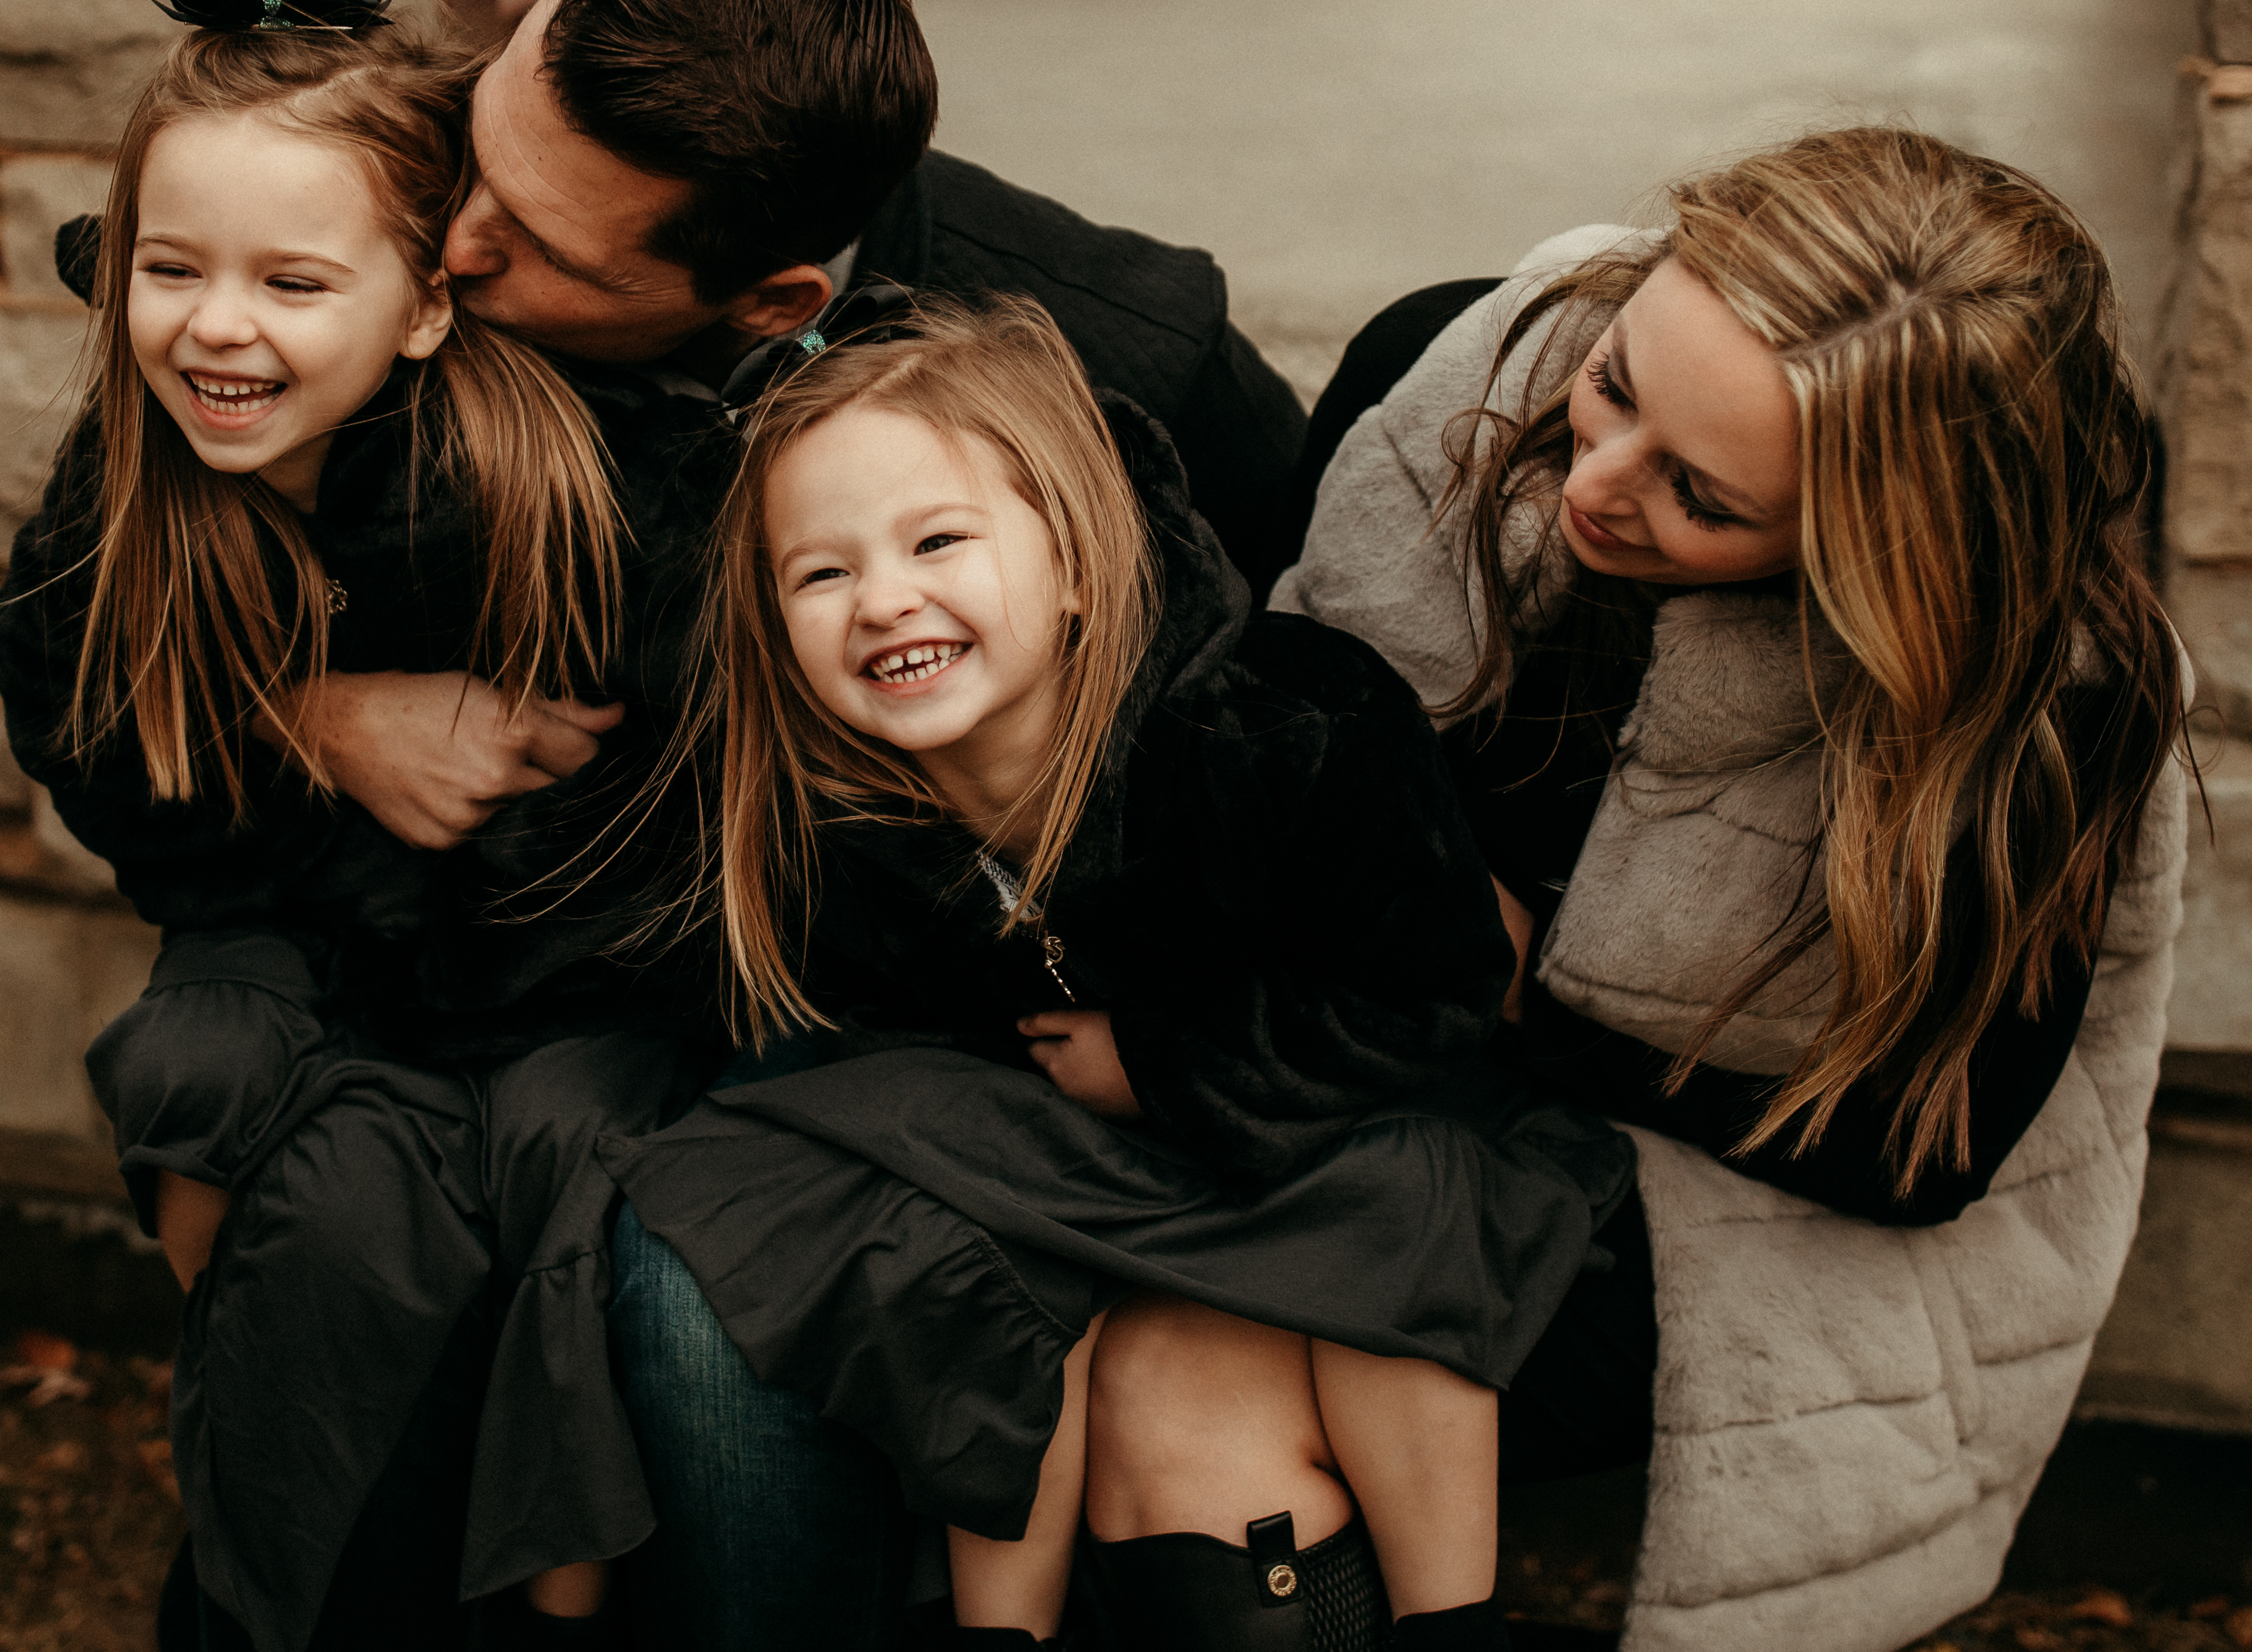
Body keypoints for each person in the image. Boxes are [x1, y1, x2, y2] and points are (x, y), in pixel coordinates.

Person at [255, 0, 1314, 1646]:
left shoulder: (1132, 372)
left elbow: (1327, 766)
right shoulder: (406, 209)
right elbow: (94, 606)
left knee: (725, 1299)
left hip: (963, 1026)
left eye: (536, 244)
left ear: (772, 303)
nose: (447, 247)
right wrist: (303, 710)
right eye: (479, 142)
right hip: (597, 986)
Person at [1095, 128, 2194, 1652]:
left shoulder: (2035, 703)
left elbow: (1912, 1156)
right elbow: (1253, 733)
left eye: (1703, 497)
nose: (1591, 485)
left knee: (1193, 1370)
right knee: (1138, 1367)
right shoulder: (1454, 371)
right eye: (1613, 385)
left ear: (1880, 549)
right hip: (1366, 1080)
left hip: (1719, 1200)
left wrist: (1497, 987)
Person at [598, 295, 1632, 1652]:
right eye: (820, 574)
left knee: (1394, 1222)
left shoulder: (1285, 719)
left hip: (1344, 1139)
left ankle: (1455, 1626)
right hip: (1078, 1184)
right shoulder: (838, 829)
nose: (885, 597)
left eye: (937, 540)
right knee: (928, 1218)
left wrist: (1165, 1062)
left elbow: (1436, 990)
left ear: (1077, 563)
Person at [0, 0, 699, 1652]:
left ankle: (522, 1593)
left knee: (496, 1190)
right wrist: (304, 725)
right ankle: (267, 1544)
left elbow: (640, 805)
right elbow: (83, 726)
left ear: (426, 304)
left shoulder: (548, 491)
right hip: (299, 940)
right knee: (210, 1075)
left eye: (293, 283)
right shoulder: (134, 487)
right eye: (174, 269)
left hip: (555, 979)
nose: (217, 329)